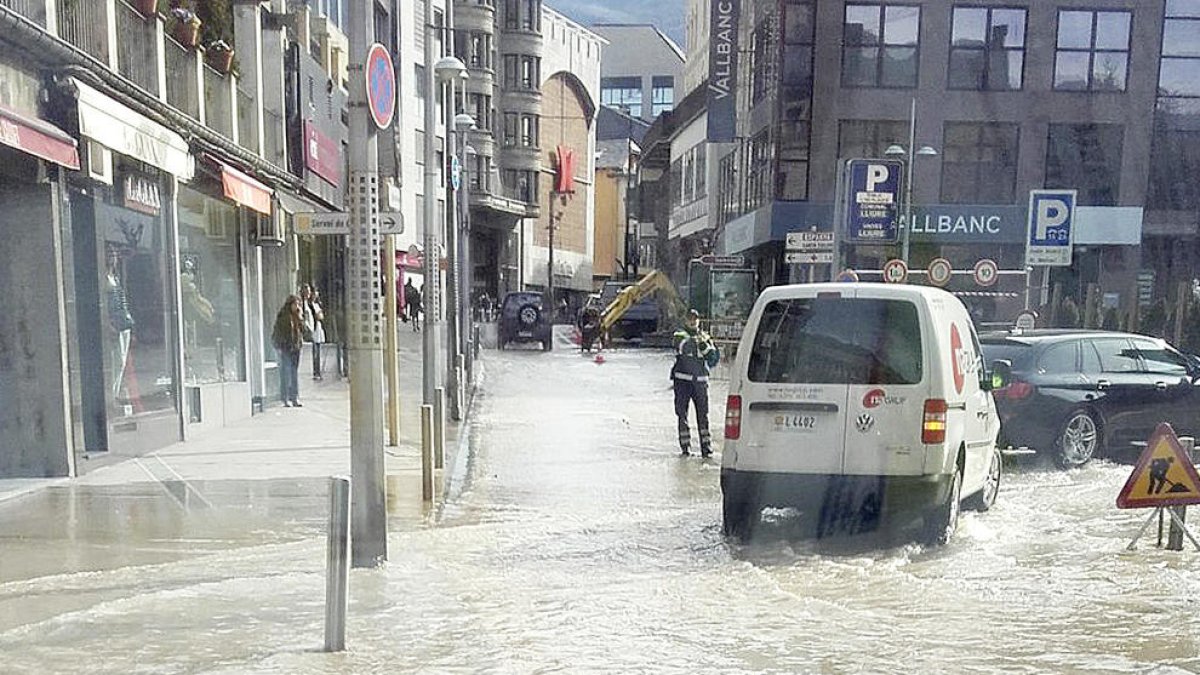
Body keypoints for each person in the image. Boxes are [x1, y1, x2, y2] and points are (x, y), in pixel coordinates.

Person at [671, 309, 720, 458]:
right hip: (682, 382)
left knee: (703, 416)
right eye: (690, 319)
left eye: (695, 319)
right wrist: (701, 347)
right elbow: (684, 348)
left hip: (700, 383)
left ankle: (706, 449)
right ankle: (685, 449)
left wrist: (702, 347)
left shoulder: (705, 336)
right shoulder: (679, 334)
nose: (693, 321)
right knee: (682, 415)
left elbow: (713, 358)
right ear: (685, 320)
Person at [272, 295, 304, 407]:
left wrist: (300, 318)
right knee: (286, 373)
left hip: (296, 347)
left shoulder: (297, 317)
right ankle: (285, 397)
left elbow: (304, 330)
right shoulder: (284, 316)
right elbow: (278, 332)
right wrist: (280, 346)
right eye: (295, 304)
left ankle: (294, 397)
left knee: (294, 373)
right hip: (286, 347)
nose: (297, 307)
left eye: (298, 304)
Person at [304, 285, 326, 381]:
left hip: (317, 328)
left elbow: (321, 316)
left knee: (318, 351)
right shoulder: (308, 305)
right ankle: (315, 372)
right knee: (315, 352)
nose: (314, 296)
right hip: (312, 329)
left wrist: (319, 315)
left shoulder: (317, 304)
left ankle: (318, 371)